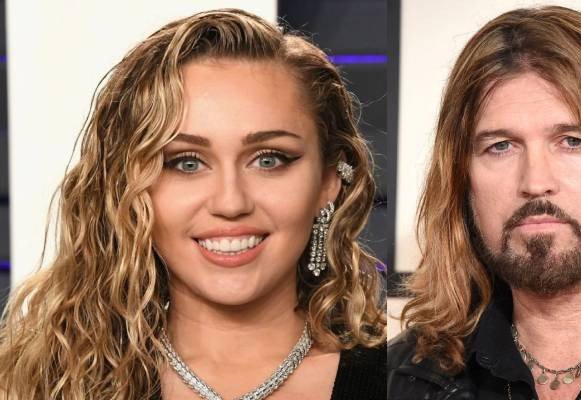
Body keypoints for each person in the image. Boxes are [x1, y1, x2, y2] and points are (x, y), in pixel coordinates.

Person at [0, 9, 386, 400]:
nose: (230, 202)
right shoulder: (38, 384)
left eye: (269, 159)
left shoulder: (394, 377)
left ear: (328, 181)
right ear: (127, 187)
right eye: (186, 163)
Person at [388, 6, 581, 400]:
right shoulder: (400, 377)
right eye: (501, 146)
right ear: (460, 180)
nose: (536, 182)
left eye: (572, 141)